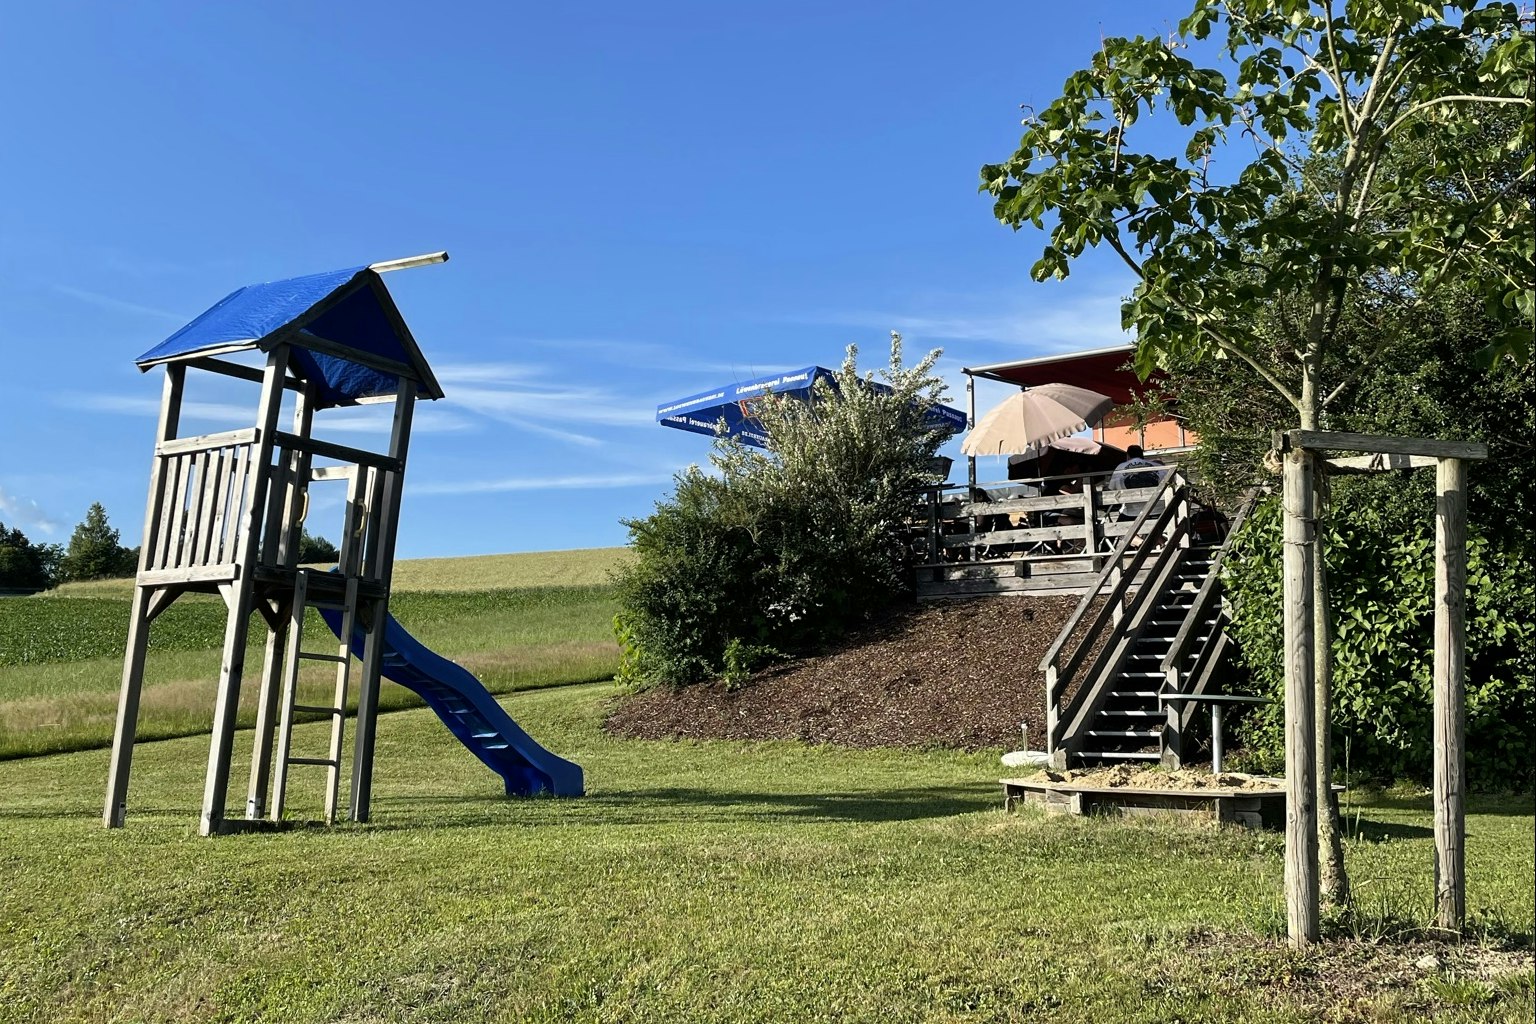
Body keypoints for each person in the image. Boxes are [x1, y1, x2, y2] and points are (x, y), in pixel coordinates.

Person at [1108, 444, 1164, 521]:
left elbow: (1112, 489)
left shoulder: (1120, 467)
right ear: (1142, 455)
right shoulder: (1159, 466)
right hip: (1159, 511)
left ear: (1128, 456)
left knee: (1118, 531)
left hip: (1132, 512)